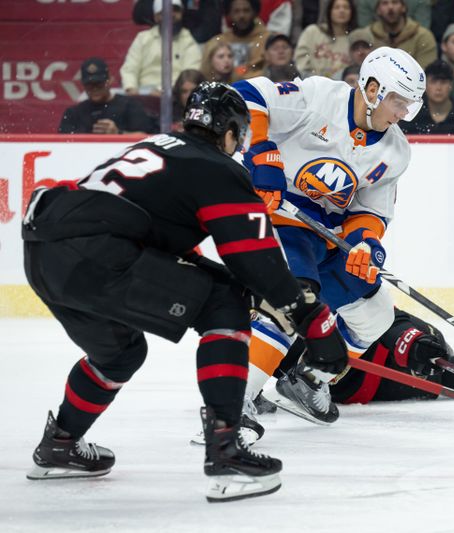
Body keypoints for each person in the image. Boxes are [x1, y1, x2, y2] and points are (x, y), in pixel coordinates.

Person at [23, 82, 349, 502]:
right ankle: (226, 452)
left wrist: (241, 284)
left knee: (120, 353)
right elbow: (257, 262)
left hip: (46, 253)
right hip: (99, 251)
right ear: (229, 132)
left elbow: (167, 246)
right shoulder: (218, 168)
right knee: (223, 305)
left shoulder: (160, 147)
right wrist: (314, 323)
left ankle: (60, 445)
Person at [232, 47, 425, 423]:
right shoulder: (319, 97)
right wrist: (261, 151)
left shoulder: (396, 151)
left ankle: (310, 377)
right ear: (372, 90)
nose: (403, 113)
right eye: (398, 102)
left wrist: (365, 244)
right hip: (278, 218)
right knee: (291, 303)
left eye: (409, 106)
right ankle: (231, 403)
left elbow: (370, 211)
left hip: (325, 235)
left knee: (376, 315)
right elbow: (246, 94)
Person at [244, 307, 454, 426]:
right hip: (351, 385)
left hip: (388, 365)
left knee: (451, 373)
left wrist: (411, 343)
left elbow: (392, 323)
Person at [120, 0, 202, 95]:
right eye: (165, 11)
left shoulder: (188, 39)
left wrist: (164, 92)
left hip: (176, 96)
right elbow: (129, 69)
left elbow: (190, 74)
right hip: (143, 94)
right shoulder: (143, 38)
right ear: (156, 17)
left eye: (175, 10)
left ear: (181, 13)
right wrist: (131, 88)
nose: (171, 14)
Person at [59, 58, 157, 135]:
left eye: (99, 83)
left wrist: (118, 133)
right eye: (89, 85)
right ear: (83, 84)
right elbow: (63, 143)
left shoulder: (130, 106)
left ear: (109, 80)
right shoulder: (74, 113)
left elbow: (145, 137)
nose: (95, 88)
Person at [349, 0, 437, 69]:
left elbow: (426, 70)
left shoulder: (423, 36)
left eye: (395, 2)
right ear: (378, 10)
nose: (390, 7)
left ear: (404, 8)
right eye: (385, 3)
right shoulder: (368, 36)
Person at [402, 60, 454, 135]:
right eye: (433, 82)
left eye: (443, 82)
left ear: (451, 85)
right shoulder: (411, 117)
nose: (438, 88)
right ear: (425, 86)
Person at [205, 0, 269, 78]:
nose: (241, 15)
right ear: (229, 14)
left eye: (246, 10)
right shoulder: (217, 42)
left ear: (254, 13)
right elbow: (206, 74)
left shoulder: (268, 40)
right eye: (236, 11)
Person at [294, 0, 358, 78]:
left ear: (352, 12)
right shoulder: (313, 31)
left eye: (346, 7)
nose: (342, 10)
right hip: (311, 82)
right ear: (329, 11)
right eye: (337, 7)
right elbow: (301, 60)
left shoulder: (355, 39)